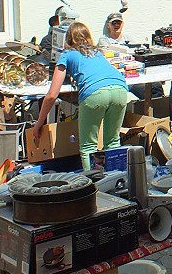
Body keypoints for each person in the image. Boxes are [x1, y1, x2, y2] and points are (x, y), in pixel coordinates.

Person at [31, 21, 129, 171]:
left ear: (68, 38)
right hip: (120, 89)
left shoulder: (67, 55)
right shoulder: (98, 53)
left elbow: (52, 95)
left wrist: (39, 123)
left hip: (95, 93)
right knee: (113, 142)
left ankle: (94, 188)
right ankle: (118, 182)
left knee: (88, 146)